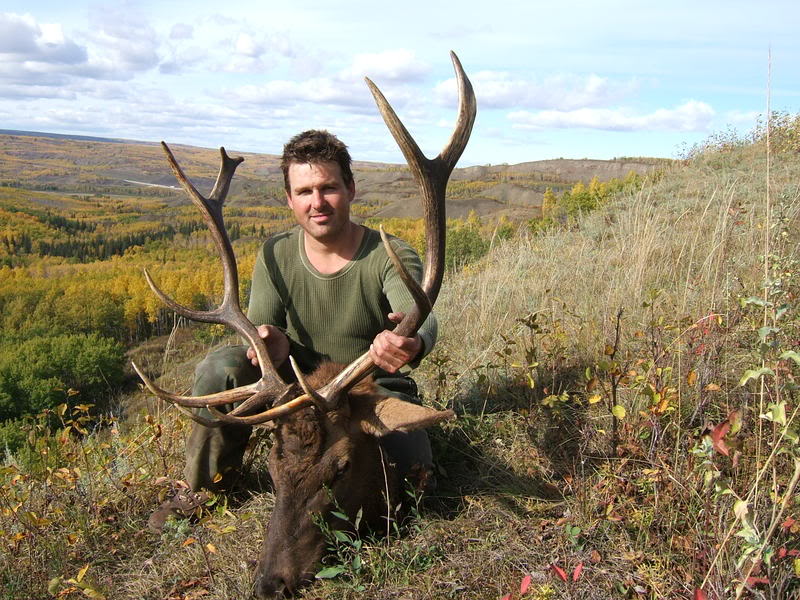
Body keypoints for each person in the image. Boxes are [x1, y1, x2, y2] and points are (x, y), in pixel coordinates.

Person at [149, 130, 437, 532]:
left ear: (351, 189)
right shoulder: (275, 253)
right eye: (304, 192)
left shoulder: (388, 254)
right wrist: (268, 344)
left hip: (365, 393)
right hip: (294, 390)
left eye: (328, 188)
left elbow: (421, 313)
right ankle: (204, 490)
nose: (316, 202)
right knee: (221, 367)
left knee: (414, 479)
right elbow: (258, 334)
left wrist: (409, 339)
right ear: (289, 199)